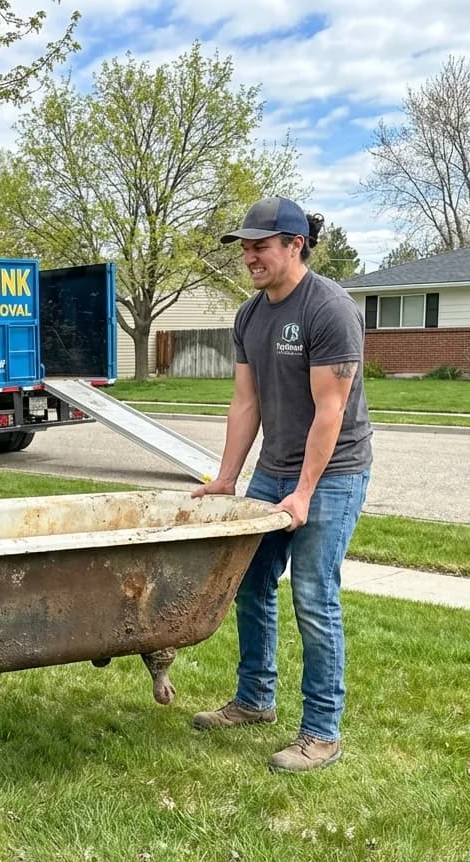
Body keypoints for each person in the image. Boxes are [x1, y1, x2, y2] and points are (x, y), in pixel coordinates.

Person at [190, 196, 372, 773]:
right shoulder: (250, 316)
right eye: (244, 247)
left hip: (333, 473)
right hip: (272, 471)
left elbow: (331, 410)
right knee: (250, 583)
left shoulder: (329, 309)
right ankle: (254, 699)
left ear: (295, 245)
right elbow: (246, 403)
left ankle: (321, 731)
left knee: (313, 597)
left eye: (260, 246)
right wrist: (228, 476)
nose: (249, 256)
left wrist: (304, 492)